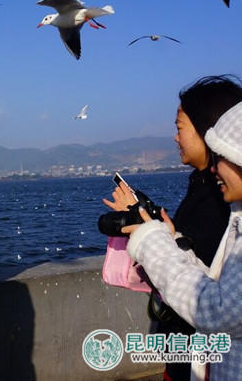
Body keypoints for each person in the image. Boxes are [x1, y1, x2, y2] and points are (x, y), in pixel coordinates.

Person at [103, 76, 242, 380]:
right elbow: (213, 277)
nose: (175, 138)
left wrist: (152, 239)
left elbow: (213, 306)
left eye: (180, 128)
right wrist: (170, 239)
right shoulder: (220, 201)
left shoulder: (219, 203)